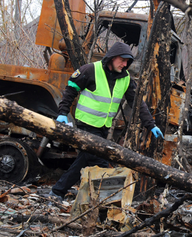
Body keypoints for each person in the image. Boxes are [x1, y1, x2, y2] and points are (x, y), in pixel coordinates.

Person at [48, 42, 163, 200]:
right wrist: (62, 112)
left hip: (103, 126)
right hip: (86, 124)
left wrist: (151, 124)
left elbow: (137, 104)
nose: (125, 64)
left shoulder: (125, 78)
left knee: (86, 159)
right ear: (112, 57)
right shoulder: (90, 70)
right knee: (100, 160)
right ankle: (105, 198)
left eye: (127, 62)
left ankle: (67, 192)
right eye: (122, 60)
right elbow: (71, 88)